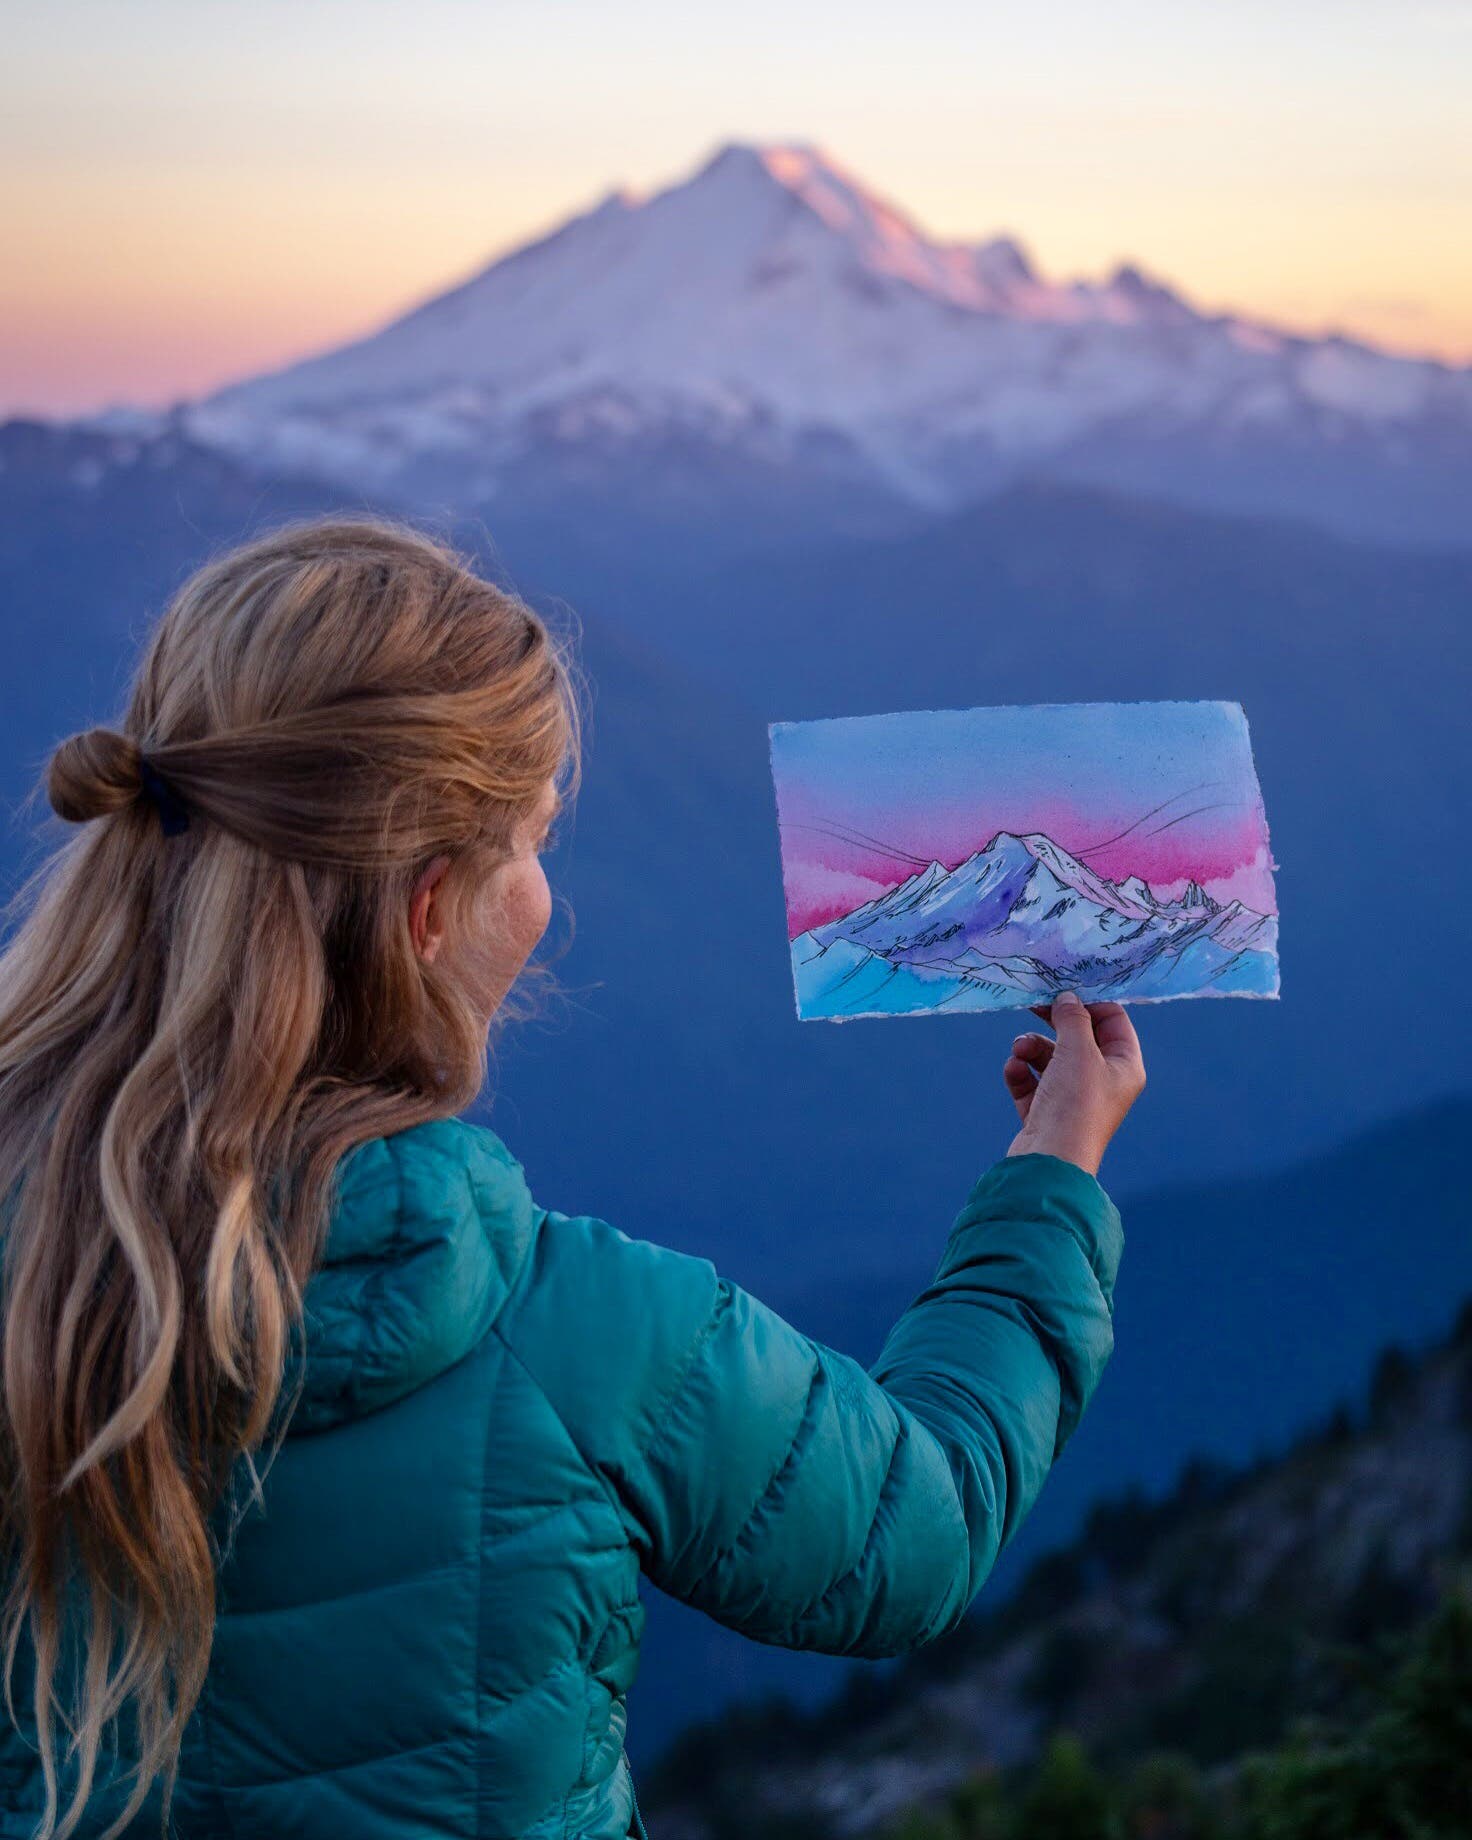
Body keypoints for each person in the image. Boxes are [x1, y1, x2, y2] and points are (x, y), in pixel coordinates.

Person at [0, 519, 1144, 1840]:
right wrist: (1056, 1168)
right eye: (534, 843)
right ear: (428, 913)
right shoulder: (584, 1337)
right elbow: (915, 1531)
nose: (550, 897)